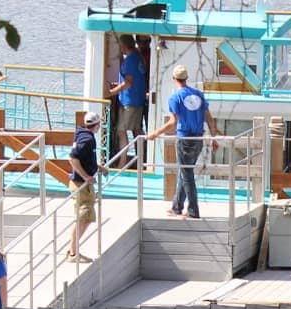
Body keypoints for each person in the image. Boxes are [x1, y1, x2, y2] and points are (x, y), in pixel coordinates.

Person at [148, 63, 216, 218]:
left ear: (174, 78)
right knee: (184, 172)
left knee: (186, 173)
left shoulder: (175, 97)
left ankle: (193, 210)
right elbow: (209, 118)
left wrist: (155, 133)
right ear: (186, 78)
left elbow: (173, 122)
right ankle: (177, 207)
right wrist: (213, 137)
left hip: (185, 138)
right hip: (198, 138)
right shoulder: (199, 94)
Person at [107, 35, 150, 167]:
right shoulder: (138, 58)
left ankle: (122, 163)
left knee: (121, 130)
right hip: (138, 100)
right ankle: (142, 159)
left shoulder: (130, 60)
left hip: (129, 102)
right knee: (137, 130)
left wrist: (112, 92)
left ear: (123, 46)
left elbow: (128, 82)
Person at [64, 111, 101, 261]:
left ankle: (73, 250)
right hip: (81, 184)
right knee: (83, 218)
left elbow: (83, 158)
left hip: (82, 183)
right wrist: (86, 177)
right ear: (97, 125)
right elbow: (73, 158)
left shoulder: (81, 134)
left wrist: (98, 166)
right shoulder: (87, 139)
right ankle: (73, 252)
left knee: (87, 217)